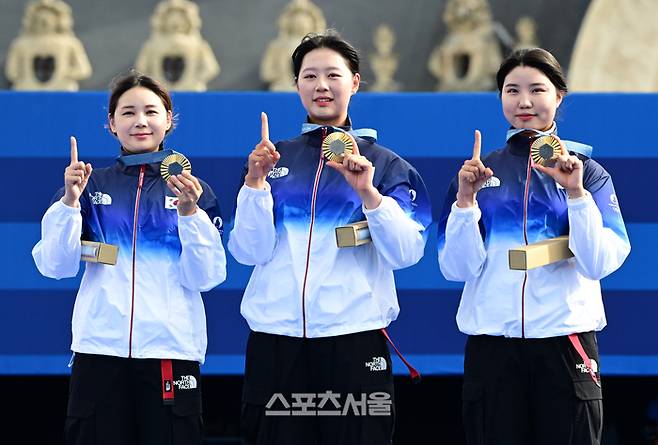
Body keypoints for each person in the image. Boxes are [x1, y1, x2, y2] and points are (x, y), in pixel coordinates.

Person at [228, 31, 432, 445]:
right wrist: (254, 183)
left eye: (333, 75)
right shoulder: (272, 159)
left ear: (355, 82)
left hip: (354, 340)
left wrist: (369, 195)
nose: (321, 86)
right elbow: (249, 251)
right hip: (277, 341)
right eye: (309, 76)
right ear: (297, 85)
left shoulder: (386, 165)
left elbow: (407, 253)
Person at [437, 48, 631, 444]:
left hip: (565, 342)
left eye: (537, 90)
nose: (524, 102)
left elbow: (600, 262)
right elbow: (456, 269)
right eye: (512, 90)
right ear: (501, 99)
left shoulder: (588, 173)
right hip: (493, 347)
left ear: (559, 95)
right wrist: (465, 202)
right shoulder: (478, 173)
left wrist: (575, 193)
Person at [32, 71, 227, 444]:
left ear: (169, 119)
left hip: (170, 350)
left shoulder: (195, 192)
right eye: (128, 113)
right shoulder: (90, 186)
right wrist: (69, 202)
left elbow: (206, 277)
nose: (140, 121)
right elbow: (55, 266)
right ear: (111, 124)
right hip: (99, 350)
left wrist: (189, 213)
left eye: (151, 111)